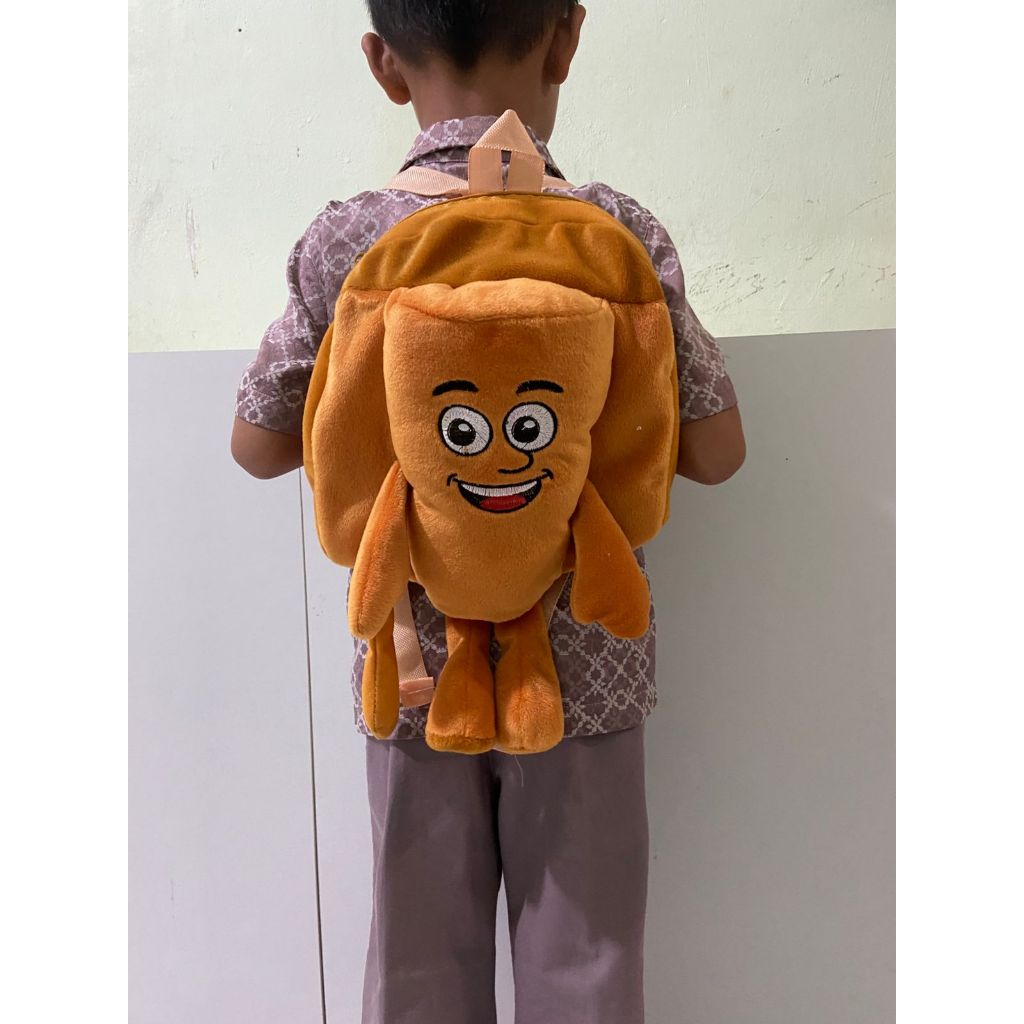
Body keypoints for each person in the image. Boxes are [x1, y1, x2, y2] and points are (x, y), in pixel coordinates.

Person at [231, 3, 746, 1021]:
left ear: (383, 64)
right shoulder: (617, 232)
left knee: (418, 960)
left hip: (414, 667)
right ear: (566, 39)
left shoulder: (348, 239)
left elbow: (257, 445)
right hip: (588, 662)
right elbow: (716, 452)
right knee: (588, 958)